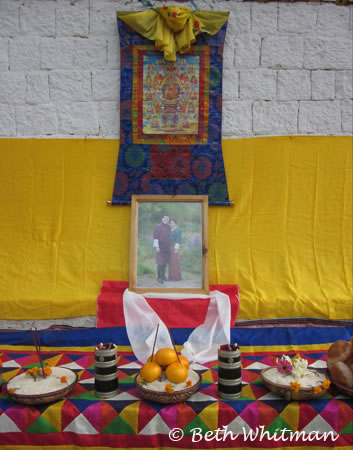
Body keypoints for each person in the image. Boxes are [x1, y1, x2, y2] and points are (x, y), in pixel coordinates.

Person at [153, 214, 171, 284]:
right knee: (160, 262)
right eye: (165, 218)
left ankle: (163, 276)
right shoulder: (158, 227)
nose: (166, 220)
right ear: (162, 219)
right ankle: (159, 277)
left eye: (167, 219)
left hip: (167, 247)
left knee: (165, 262)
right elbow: (155, 237)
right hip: (160, 247)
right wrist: (157, 247)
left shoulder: (168, 227)